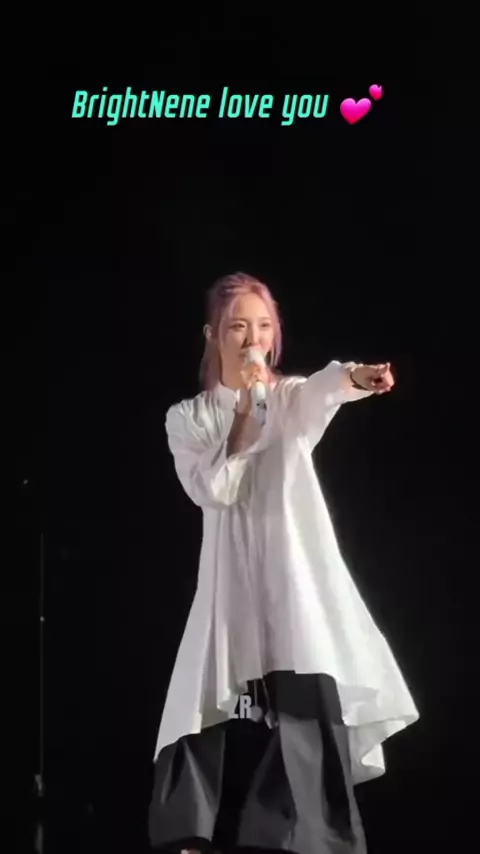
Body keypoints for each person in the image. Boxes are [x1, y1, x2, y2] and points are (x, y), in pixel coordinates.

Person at [148, 272, 419, 854]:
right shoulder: (188, 419)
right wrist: (246, 413)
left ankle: (299, 837)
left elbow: (323, 389)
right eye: (238, 327)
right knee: (196, 706)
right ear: (213, 334)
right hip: (229, 585)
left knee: (309, 700)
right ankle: (186, 837)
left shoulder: (289, 400)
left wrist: (357, 378)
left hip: (292, 579)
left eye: (264, 326)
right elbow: (213, 488)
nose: (253, 340)